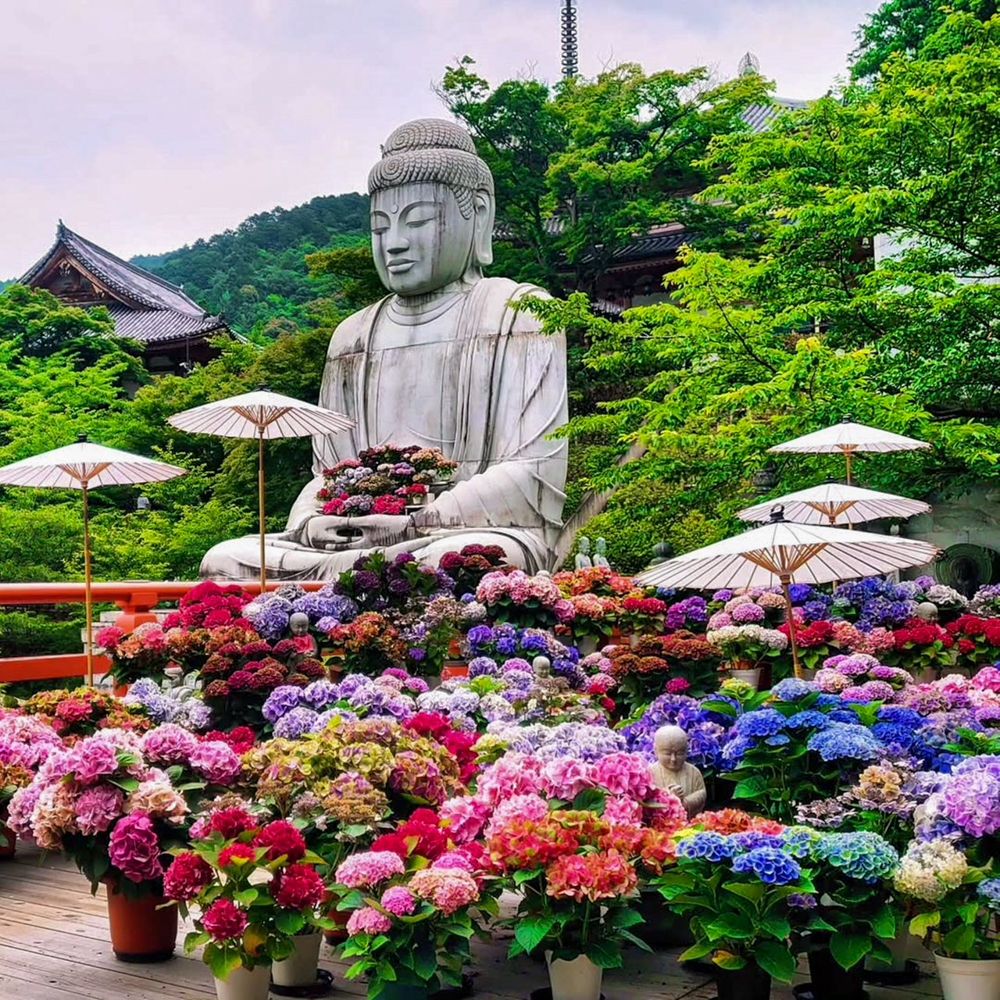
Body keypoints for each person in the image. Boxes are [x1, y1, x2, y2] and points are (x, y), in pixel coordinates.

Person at [201, 118, 568, 581]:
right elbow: (329, 474)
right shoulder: (353, 336)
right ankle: (355, 573)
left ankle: (359, 576)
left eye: (417, 221)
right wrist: (315, 522)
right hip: (353, 537)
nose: (394, 243)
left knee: (468, 559)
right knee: (225, 558)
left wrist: (414, 522)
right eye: (380, 226)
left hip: (456, 533)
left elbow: (536, 471)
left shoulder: (518, 313)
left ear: (478, 213)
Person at [649, 725, 707, 818]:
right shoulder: (650, 773)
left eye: (679, 753)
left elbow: (701, 793)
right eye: (667, 753)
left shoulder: (694, 772)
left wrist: (685, 802)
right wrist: (668, 797)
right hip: (660, 827)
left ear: (686, 751)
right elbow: (646, 800)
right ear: (656, 751)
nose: (673, 759)